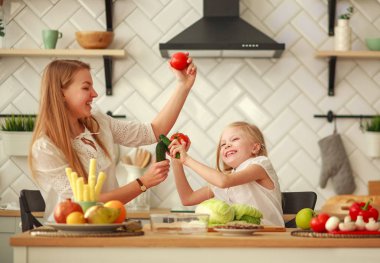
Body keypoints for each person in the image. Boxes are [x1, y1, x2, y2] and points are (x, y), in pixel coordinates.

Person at [28, 57, 197, 220]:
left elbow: (152, 131)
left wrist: (183, 86)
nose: (94, 94)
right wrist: (143, 182)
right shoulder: (45, 148)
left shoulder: (98, 122)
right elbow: (85, 203)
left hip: (108, 224)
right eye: (86, 88)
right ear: (61, 93)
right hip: (67, 236)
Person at [169, 121, 284, 227]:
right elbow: (188, 198)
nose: (227, 145)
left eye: (234, 139)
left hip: (269, 235)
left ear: (255, 147)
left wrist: (187, 160)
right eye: (223, 144)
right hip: (242, 237)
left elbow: (224, 181)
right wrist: (177, 162)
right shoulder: (228, 176)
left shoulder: (260, 164)